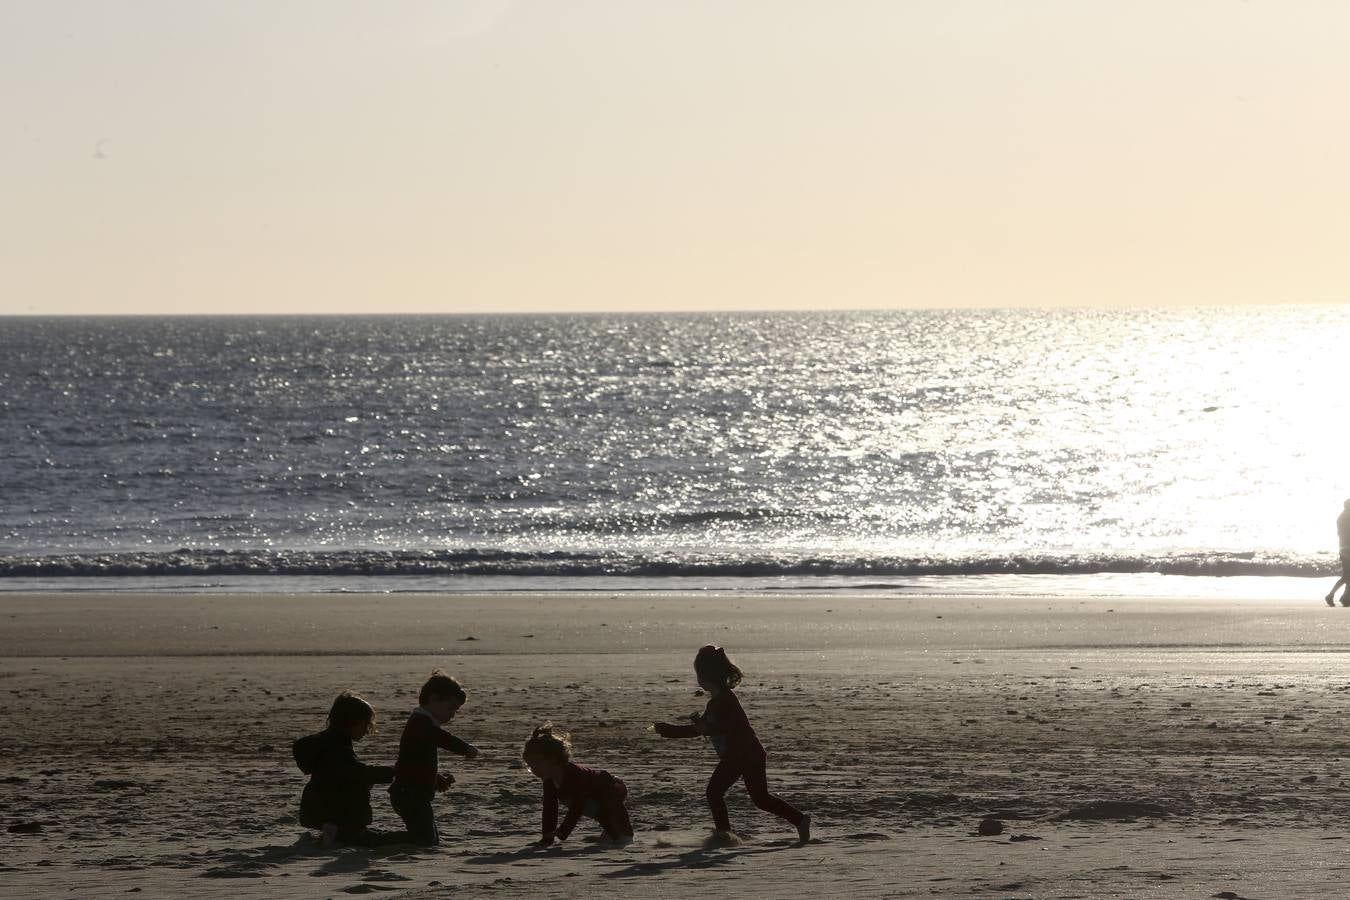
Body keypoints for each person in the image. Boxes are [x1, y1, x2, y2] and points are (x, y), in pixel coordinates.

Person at [652, 645, 810, 846]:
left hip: (743, 754)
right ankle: (799, 819)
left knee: (716, 793)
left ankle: (724, 836)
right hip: (746, 754)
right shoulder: (716, 702)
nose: (698, 680)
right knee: (759, 799)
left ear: (707, 675)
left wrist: (706, 728)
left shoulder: (725, 700)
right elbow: (699, 730)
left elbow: (728, 726)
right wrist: (669, 730)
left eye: (699, 675)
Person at [292, 692, 397, 847]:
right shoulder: (337, 748)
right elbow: (359, 773)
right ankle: (339, 833)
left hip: (314, 808)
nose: (367, 730)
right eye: (365, 724)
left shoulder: (324, 742)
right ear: (351, 722)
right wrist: (395, 772)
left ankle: (332, 830)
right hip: (333, 810)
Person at [388, 671, 480, 846]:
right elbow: (441, 738)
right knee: (424, 840)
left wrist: (436, 780)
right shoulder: (420, 722)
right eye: (450, 707)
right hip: (408, 794)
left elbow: (417, 763)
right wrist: (465, 748)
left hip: (414, 793)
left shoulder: (423, 723)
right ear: (434, 699)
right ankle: (368, 838)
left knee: (429, 837)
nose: (452, 714)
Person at [522, 722, 633, 847]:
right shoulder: (549, 780)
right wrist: (547, 838)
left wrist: (563, 832)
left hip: (613, 786)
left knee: (602, 805)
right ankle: (611, 833)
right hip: (591, 798)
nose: (534, 769)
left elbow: (577, 807)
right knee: (593, 807)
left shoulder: (573, 774)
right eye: (529, 766)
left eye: (536, 763)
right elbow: (550, 808)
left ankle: (624, 835)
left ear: (552, 759)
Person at [1326, 499, 1350, 607]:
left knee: (1348, 575)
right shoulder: (1346, 517)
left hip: (1344, 548)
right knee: (1346, 576)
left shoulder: (1342, 517)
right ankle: (1331, 595)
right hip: (1347, 549)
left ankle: (1345, 598)